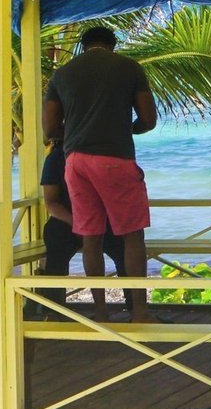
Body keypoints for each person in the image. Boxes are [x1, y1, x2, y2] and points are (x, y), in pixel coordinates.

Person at [44, 25, 158, 322]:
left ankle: (100, 311)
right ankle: (140, 312)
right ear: (112, 45)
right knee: (132, 237)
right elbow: (148, 119)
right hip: (115, 158)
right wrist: (126, 128)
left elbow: (49, 129)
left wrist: (79, 133)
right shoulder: (128, 68)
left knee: (90, 237)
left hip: (76, 162)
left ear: (84, 46)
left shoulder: (62, 74)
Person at [39, 137, 126, 314]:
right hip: (68, 221)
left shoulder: (105, 154)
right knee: (55, 247)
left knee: (125, 249)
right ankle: (52, 310)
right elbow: (51, 202)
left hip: (103, 219)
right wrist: (77, 223)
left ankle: (134, 307)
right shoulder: (56, 158)